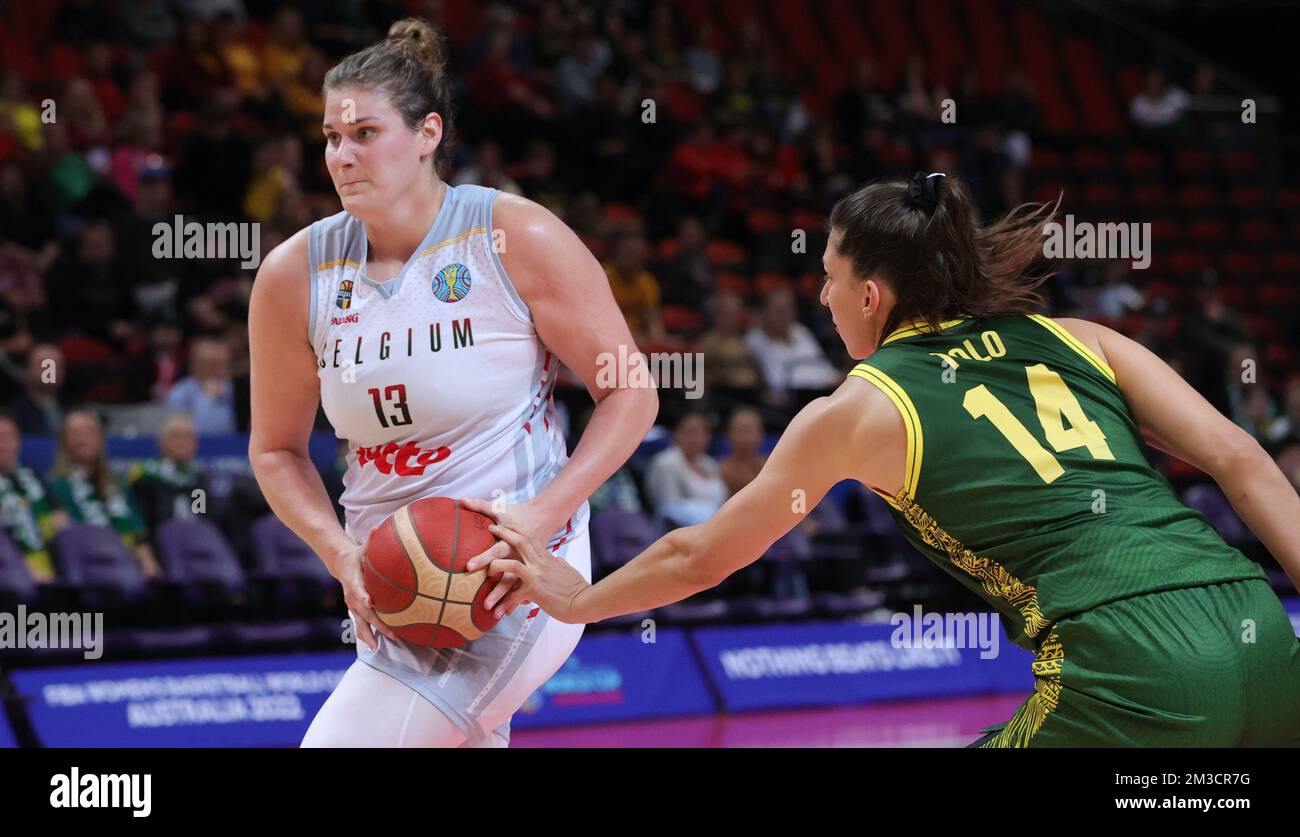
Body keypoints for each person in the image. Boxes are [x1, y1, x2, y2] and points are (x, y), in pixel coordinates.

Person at [468, 173, 1300, 747]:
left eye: (828, 278)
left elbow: (700, 552)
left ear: (872, 295)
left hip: (1133, 661)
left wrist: (580, 600)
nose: (822, 299)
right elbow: (1242, 456)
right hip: (1260, 630)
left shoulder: (858, 408)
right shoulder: (1078, 337)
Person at [248, 19, 657, 748]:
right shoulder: (292, 274)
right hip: (390, 589)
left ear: (428, 132)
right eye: (330, 137)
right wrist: (338, 551)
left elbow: (631, 390)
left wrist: (542, 513)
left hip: (516, 573)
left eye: (364, 133)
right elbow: (277, 450)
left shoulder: (516, 237)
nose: (341, 155)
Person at [47, 410, 161, 578]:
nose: (83, 438)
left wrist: (148, 564)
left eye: (89, 432)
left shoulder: (118, 484)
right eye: (76, 433)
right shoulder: (52, 486)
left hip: (127, 565)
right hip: (86, 567)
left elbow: (137, 536)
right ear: (63, 442)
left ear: (100, 440)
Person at [0, 410, 65, 582]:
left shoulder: (33, 476)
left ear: (18, 441)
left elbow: (60, 520)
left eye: (7, 437)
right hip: (10, 572)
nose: (2, 444)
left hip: (50, 561)